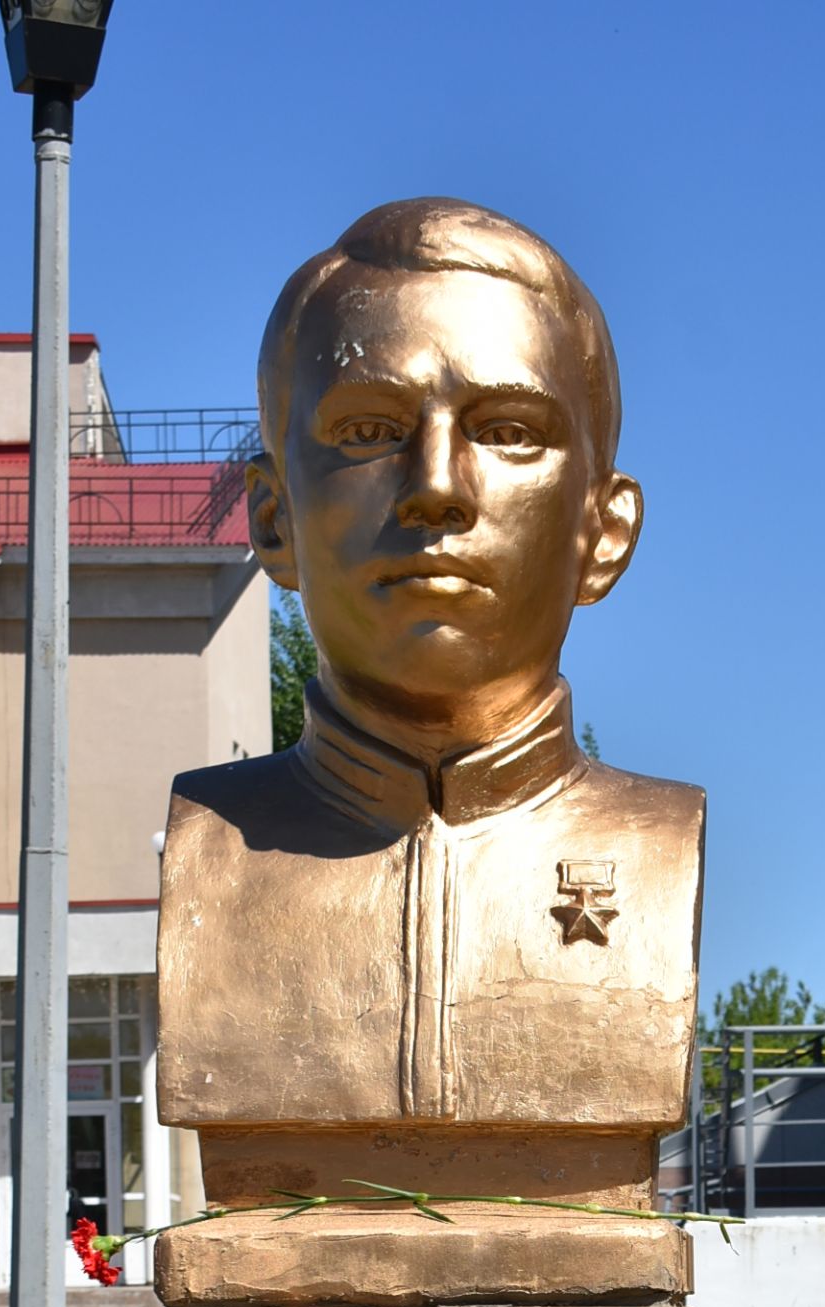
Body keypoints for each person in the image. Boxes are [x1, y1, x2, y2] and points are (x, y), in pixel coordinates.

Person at [155, 197, 703, 1187]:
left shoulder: (662, 842)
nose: (438, 484)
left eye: (509, 430)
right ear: (273, 517)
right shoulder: (212, 852)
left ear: (604, 530)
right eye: (368, 429)